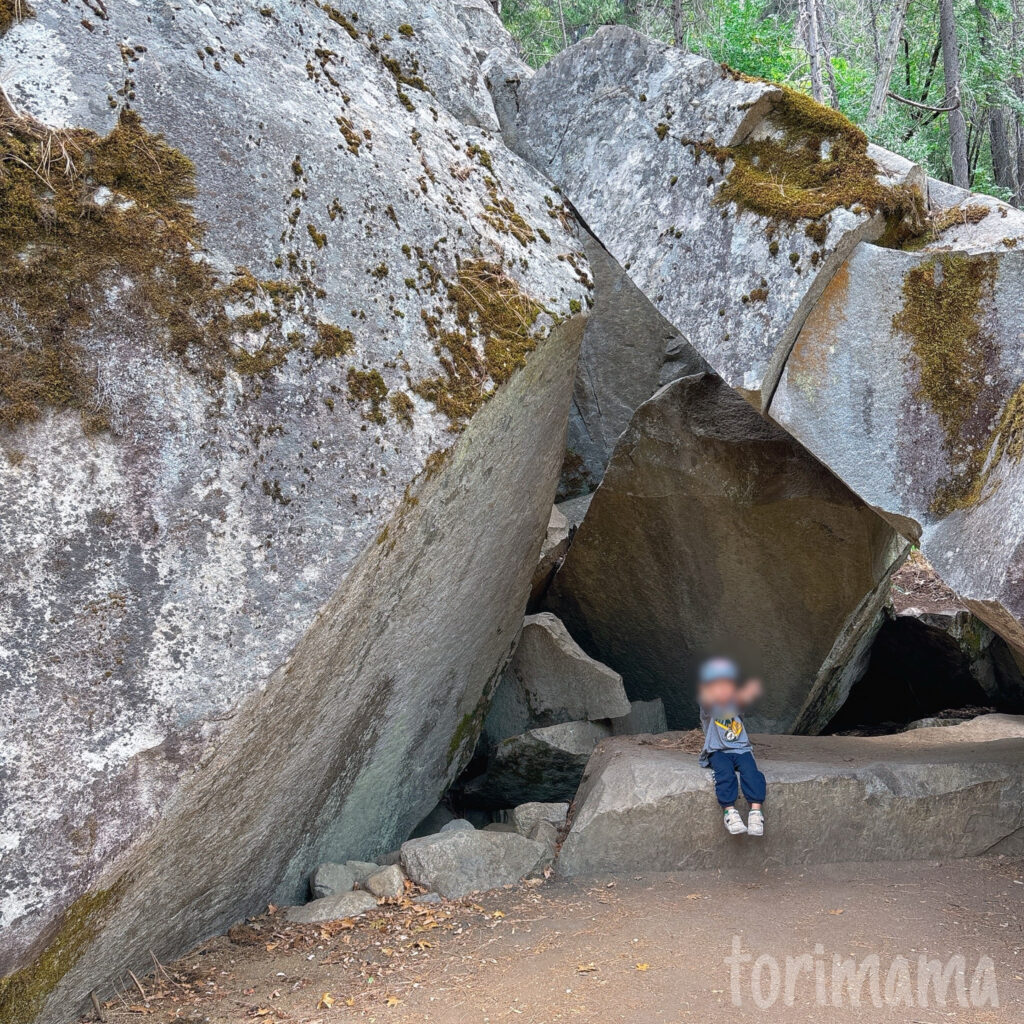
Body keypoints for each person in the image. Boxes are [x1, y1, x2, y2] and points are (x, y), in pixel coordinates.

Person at [696, 657, 766, 836]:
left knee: (752, 773)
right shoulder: (709, 708)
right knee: (725, 775)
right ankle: (730, 813)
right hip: (718, 751)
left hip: (741, 749)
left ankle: (756, 813)